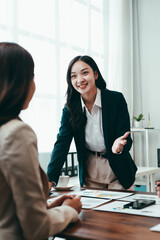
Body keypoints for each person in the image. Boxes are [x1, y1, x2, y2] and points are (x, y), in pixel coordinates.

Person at [0, 42, 82, 240]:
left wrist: (46, 205)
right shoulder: (16, 133)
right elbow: (35, 228)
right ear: (17, 82)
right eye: (32, 76)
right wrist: (69, 210)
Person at [47, 55, 137, 191]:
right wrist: (50, 179)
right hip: (90, 171)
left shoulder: (115, 99)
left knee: (120, 212)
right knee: (92, 212)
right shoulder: (70, 108)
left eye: (85, 73)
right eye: (74, 76)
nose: (80, 80)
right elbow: (62, 143)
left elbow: (126, 138)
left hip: (118, 169)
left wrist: (119, 147)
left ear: (95, 74)